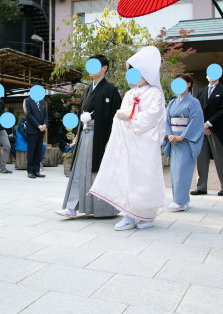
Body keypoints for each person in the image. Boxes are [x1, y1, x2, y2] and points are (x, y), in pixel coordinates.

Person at [89, 46, 166, 230]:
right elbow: (121, 114)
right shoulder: (131, 93)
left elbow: (153, 116)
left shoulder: (155, 93)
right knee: (127, 177)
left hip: (145, 143)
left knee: (145, 177)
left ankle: (147, 215)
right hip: (129, 142)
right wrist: (116, 136)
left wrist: (131, 117)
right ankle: (129, 215)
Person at [56, 54, 122, 219]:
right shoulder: (87, 89)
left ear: (104, 68)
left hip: (100, 137)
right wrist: (77, 135)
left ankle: (103, 209)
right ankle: (72, 207)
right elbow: (81, 114)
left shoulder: (111, 90)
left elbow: (116, 118)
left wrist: (110, 140)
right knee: (79, 170)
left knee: (96, 171)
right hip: (85, 134)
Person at [163, 73, 204, 212]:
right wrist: (169, 135)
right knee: (174, 172)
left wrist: (182, 137)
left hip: (185, 142)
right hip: (174, 141)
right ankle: (179, 200)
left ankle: (182, 201)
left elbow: (196, 122)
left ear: (188, 84)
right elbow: (167, 120)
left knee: (183, 171)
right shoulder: (172, 103)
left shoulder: (194, 102)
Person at [193, 74, 223, 196]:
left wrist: (209, 124)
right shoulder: (201, 91)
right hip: (202, 129)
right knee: (201, 159)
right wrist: (202, 125)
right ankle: (201, 187)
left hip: (217, 129)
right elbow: (198, 109)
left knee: (220, 159)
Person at [25, 92, 48, 179]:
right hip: (32, 130)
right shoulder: (28, 100)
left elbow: (46, 114)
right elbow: (29, 115)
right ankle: (30, 171)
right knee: (31, 151)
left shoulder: (42, 102)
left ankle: (37, 170)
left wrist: (45, 125)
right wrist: (38, 125)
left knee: (39, 151)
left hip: (41, 131)